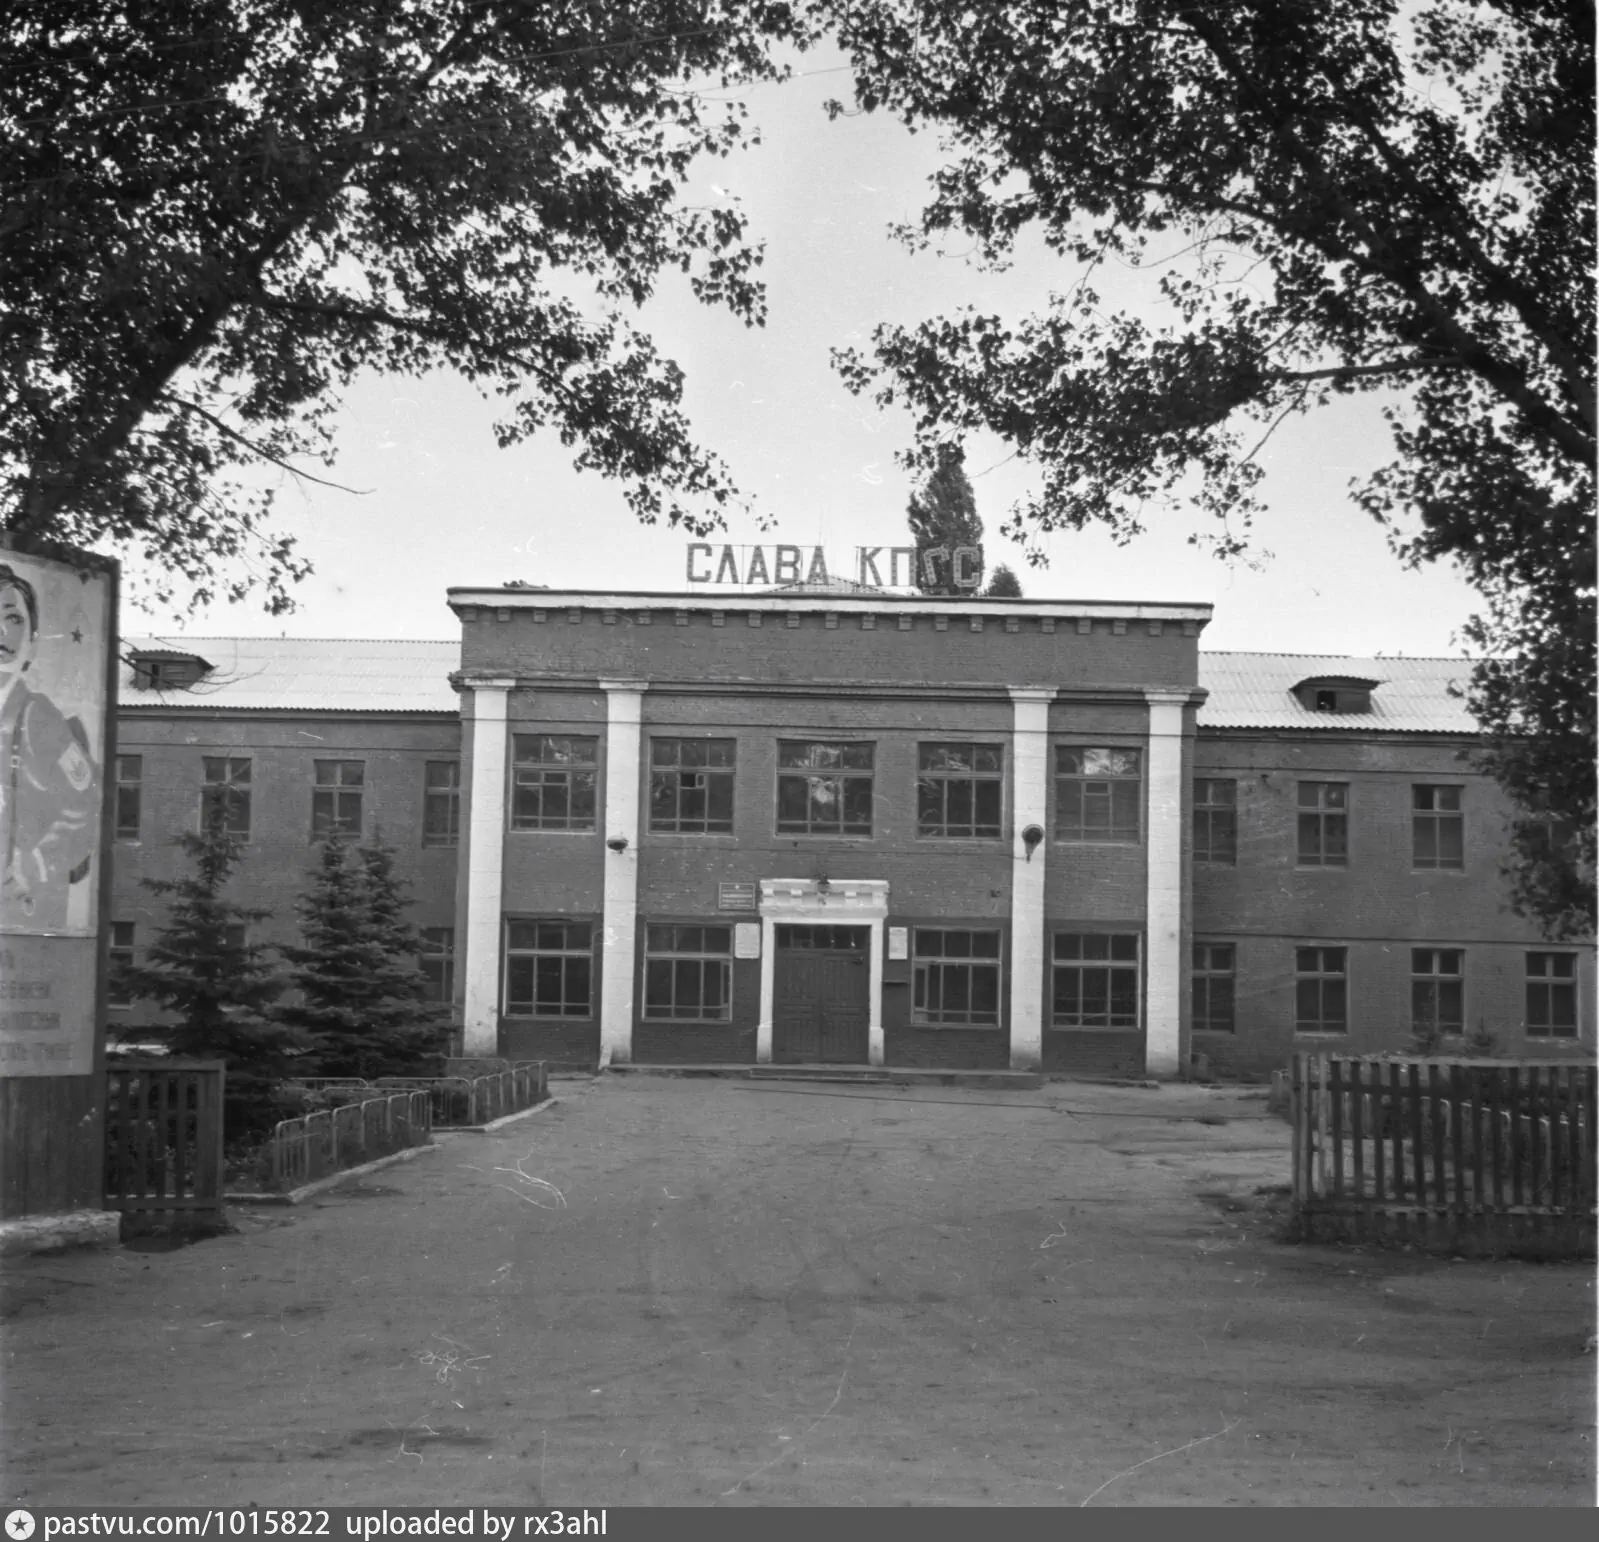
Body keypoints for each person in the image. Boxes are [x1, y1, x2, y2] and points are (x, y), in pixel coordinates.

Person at [0, 562, 99, 933]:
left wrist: (35, 865)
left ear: (34, 640)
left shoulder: (38, 718)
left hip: (24, 915)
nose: (1, 632)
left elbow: (86, 799)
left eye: (13, 619)